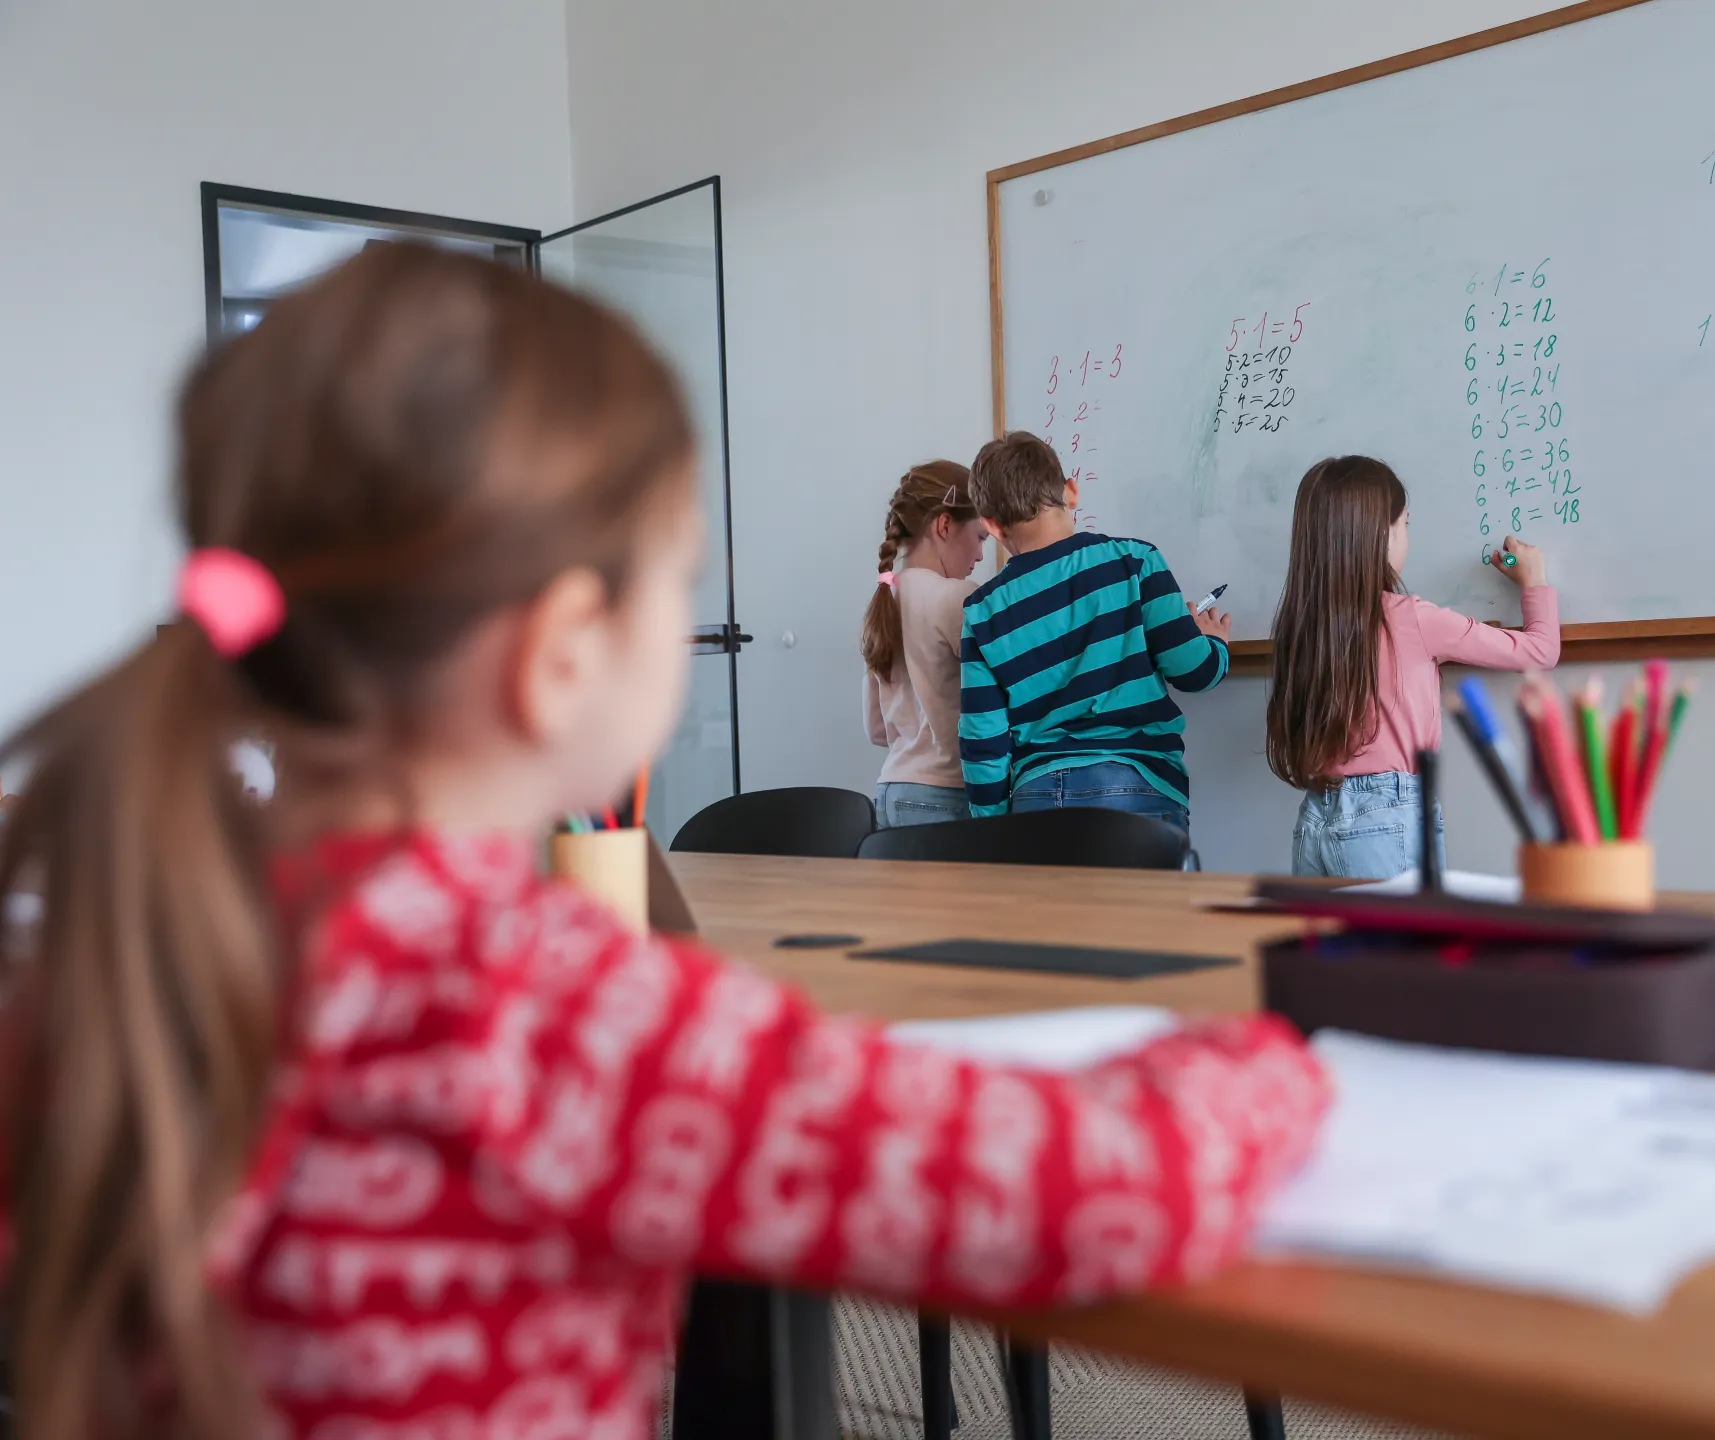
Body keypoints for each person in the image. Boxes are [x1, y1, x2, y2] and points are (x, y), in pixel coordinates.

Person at [0, 246, 1328, 1440]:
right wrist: (1271, 1054)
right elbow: (1094, 1193)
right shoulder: (562, 1014)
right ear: (562, 652)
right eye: (679, 579)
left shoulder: (104, 952)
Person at [1266, 455, 1560, 878]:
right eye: (1405, 523)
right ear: (1380, 536)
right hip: (1389, 814)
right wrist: (1533, 582)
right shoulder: (1414, 618)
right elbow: (1540, 651)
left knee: (1334, 944)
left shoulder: (1303, 628)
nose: (1407, 535)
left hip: (1315, 817)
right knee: (1406, 946)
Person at [957, 432, 1231, 832]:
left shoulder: (982, 612)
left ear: (992, 526)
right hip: (1138, 785)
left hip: (1036, 797)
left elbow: (983, 741)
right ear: (1071, 492)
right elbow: (1194, 671)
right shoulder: (1135, 562)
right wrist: (1216, 645)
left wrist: (993, 827)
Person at [860, 461, 987, 827]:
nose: (980, 555)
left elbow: (876, 730)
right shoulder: (957, 597)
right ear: (944, 525)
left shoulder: (884, 601)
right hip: (944, 794)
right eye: (979, 537)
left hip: (891, 792)